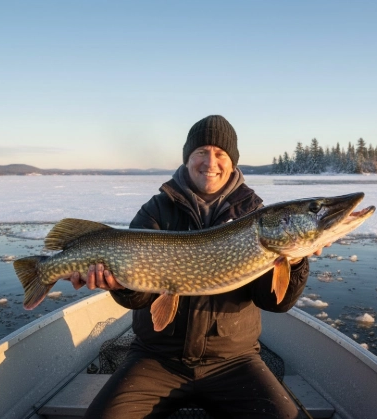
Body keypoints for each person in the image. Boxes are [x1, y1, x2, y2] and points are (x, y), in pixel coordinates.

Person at [69, 115, 327, 419]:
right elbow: (140, 298)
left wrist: (295, 262)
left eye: (220, 154)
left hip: (233, 360)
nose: (211, 162)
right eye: (201, 152)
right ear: (188, 158)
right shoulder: (156, 210)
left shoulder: (254, 215)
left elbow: (275, 302)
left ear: (232, 162)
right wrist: (121, 285)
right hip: (156, 357)